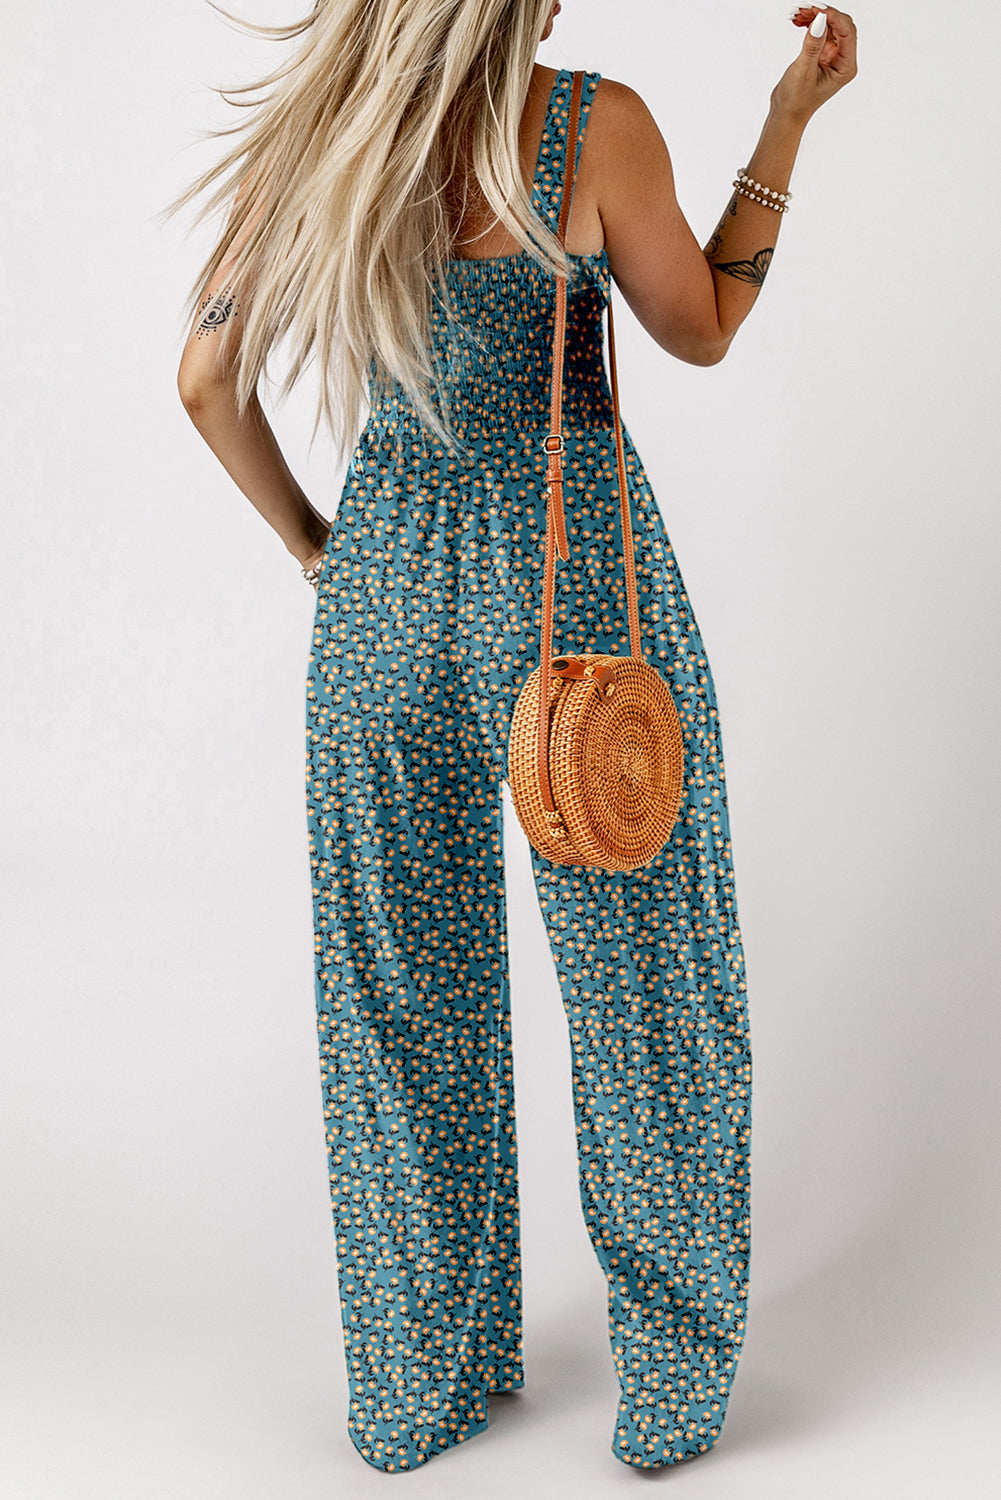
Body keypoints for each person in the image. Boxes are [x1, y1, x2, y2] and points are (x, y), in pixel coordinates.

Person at [171, 0, 857, 1474]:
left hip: (381, 595)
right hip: (569, 595)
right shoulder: (589, 125)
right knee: (647, 988)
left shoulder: (317, 138)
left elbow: (205, 383)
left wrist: (317, 549)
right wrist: (787, 122)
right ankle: (668, 1394)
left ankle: (417, 1385)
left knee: (397, 1004)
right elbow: (702, 327)